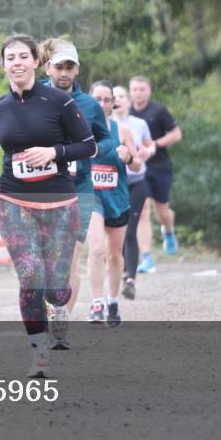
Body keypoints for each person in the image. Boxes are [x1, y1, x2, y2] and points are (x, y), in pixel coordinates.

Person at [0, 33, 96, 377]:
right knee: (31, 274)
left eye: (23, 56)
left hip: (60, 201)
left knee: (57, 289)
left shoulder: (59, 102)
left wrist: (54, 152)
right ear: (3, 65)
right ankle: (39, 355)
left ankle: (58, 306)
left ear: (36, 62)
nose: (17, 63)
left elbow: (88, 145)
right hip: (13, 201)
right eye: (10, 58)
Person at [38, 38, 117, 349]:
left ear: (77, 70)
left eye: (69, 67)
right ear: (48, 68)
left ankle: (60, 327)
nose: (64, 73)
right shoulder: (33, 97)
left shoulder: (90, 105)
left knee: (71, 257)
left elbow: (107, 140)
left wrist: (94, 150)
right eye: (59, 67)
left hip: (79, 188)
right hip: (42, 186)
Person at [85, 80, 140, 327]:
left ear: (112, 103)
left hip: (117, 198)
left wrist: (128, 158)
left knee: (115, 254)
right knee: (97, 248)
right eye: (97, 99)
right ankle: (97, 303)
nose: (102, 104)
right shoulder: (80, 129)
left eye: (107, 100)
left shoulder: (122, 131)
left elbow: (137, 165)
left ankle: (112, 301)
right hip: (91, 196)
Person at [129, 76, 182, 273]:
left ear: (149, 91)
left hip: (160, 166)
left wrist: (155, 144)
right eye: (134, 89)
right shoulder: (127, 113)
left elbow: (176, 134)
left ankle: (168, 230)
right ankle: (147, 257)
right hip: (138, 168)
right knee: (142, 210)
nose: (138, 93)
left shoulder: (158, 111)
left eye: (141, 89)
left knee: (162, 212)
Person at [111, 85, 154, 300]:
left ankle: (130, 280)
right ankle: (122, 271)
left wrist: (147, 151)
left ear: (127, 101)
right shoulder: (103, 124)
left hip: (137, 182)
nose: (117, 100)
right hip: (114, 184)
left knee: (130, 231)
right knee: (117, 232)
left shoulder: (139, 124)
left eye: (121, 96)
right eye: (113, 97)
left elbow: (150, 145)